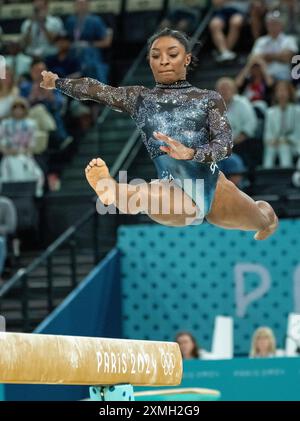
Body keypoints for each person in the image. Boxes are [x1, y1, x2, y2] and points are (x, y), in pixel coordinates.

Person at [40, 28, 278, 240]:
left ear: (186, 59)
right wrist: (58, 82)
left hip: (214, 187)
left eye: (172, 54)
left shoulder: (208, 99)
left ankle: (268, 219)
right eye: (156, 55)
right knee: (143, 195)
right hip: (171, 186)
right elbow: (97, 91)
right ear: (149, 61)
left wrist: (191, 153)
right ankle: (111, 190)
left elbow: (225, 144)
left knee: (262, 219)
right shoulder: (140, 98)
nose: (163, 61)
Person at [263, 80, 300, 168]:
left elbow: (298, 131)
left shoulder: (297, 111)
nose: (282, 93)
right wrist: (272, 140)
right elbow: (268, 133)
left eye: (284, 90)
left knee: (284, 147)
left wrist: (286, 140)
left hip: (293, 144)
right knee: (270, 148)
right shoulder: (270, 112)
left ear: (289, 92)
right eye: (279, 90)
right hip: (275, 143)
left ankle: (286, 174)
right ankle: (266, 174)